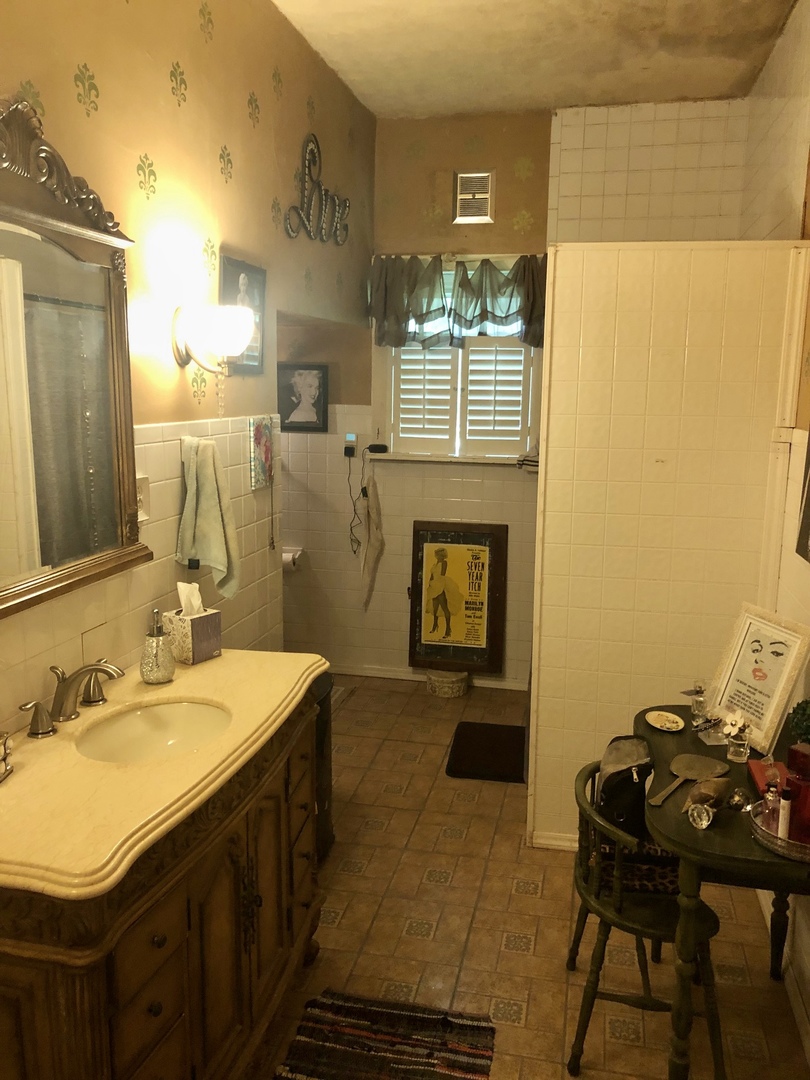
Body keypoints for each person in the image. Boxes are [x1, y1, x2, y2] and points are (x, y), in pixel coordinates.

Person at [425, 546, 461, 639]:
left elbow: (442, 575)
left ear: (442, 555)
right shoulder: (435, 564)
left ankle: (448, 630)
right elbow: (432, 575)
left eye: (438, 555)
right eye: (436, 555)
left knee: (445, 608)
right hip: (433, 586)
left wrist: (437, 584)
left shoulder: (444, 563)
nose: (437, 556)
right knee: (435, 608)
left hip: (440, 586)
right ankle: (435, 625)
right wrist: (430, 585)